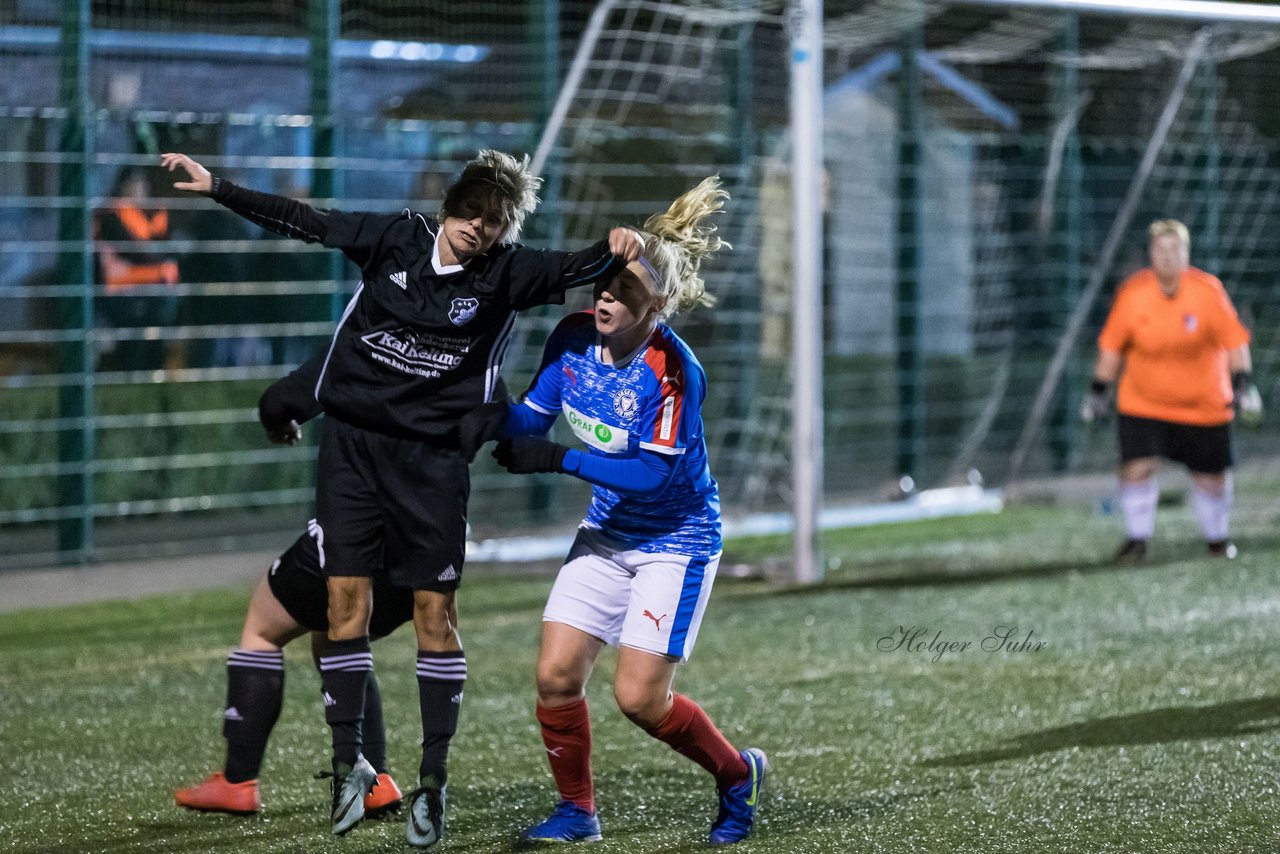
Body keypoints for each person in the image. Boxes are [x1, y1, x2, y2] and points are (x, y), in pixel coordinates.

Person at [161, 149, 643, 847]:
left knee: (400, 617)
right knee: (340, 613)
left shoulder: (504, 274)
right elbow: (306, 220)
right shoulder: (394, 239)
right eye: (471, 210)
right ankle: (354, 770)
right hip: (356, 459)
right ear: (450, 205)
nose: (478, 227)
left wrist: (614, 247)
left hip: (429, 473)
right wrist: (218, 188)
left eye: (494, 220)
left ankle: (414, 779)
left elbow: (578, 266)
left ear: (504, 229)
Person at [459, 177, 767, 846]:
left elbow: (650, 474)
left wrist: (558, 461)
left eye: (623, 288)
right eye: (601, 283)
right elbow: (532, 418)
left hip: (675, 540)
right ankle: (578, 813)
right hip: (606, 533)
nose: (604, 295)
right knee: (556, 675)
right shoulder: (571, 339)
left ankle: (737, 772)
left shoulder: (673, 369)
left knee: (639, 700)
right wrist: (487, 418)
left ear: (656, 303)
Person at [174, 356, 409, 818]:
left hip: (359, 532)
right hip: (426, 545)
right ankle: (374, 781)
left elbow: (280, 400)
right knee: (337, 640)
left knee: (263, 625)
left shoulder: (369, 333)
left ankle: (238, 783)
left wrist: (279, 422)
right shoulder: (462, 343)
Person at [1081, 218, 1262, 562]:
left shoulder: (1208, 291)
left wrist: (1242, 385)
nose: (1167, 256)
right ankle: (1137, 540)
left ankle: (1217, 540)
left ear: (1186, 253)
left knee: (1211, 478)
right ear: (1150, 253)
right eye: (1160, 249)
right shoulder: (1133, 294)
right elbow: (1112, 348)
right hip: (1144, 402)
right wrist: (1098, 391)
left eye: (1174, 249)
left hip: (1203, 403)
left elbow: (1235, 342)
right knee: (1136, 466)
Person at [94, 168, 184, 371]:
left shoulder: (156, 213)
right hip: (125, 291)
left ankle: (152, 378)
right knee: (131, 342)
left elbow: (172, 250)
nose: (138, 190)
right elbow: (135, 252)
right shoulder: (112, 214)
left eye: (141, 184)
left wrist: (155, 253)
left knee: (156, 338)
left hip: (158, 289)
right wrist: (155, 253)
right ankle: (130, 378)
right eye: (132, 184)